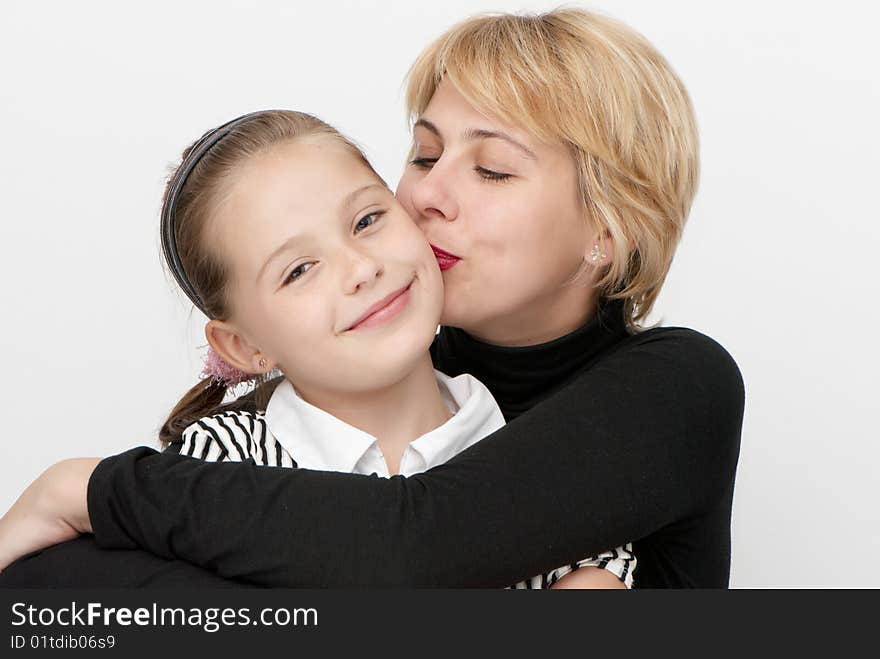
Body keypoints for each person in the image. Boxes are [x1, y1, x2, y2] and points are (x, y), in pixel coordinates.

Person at [0, 8, 742, 588]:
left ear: (606, 233)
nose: (428, 193)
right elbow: (55, 600)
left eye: (492, 171)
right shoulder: (362, 363)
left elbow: (409, 545)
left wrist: (92, 488)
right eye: (423, 153)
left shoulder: (678, 390)